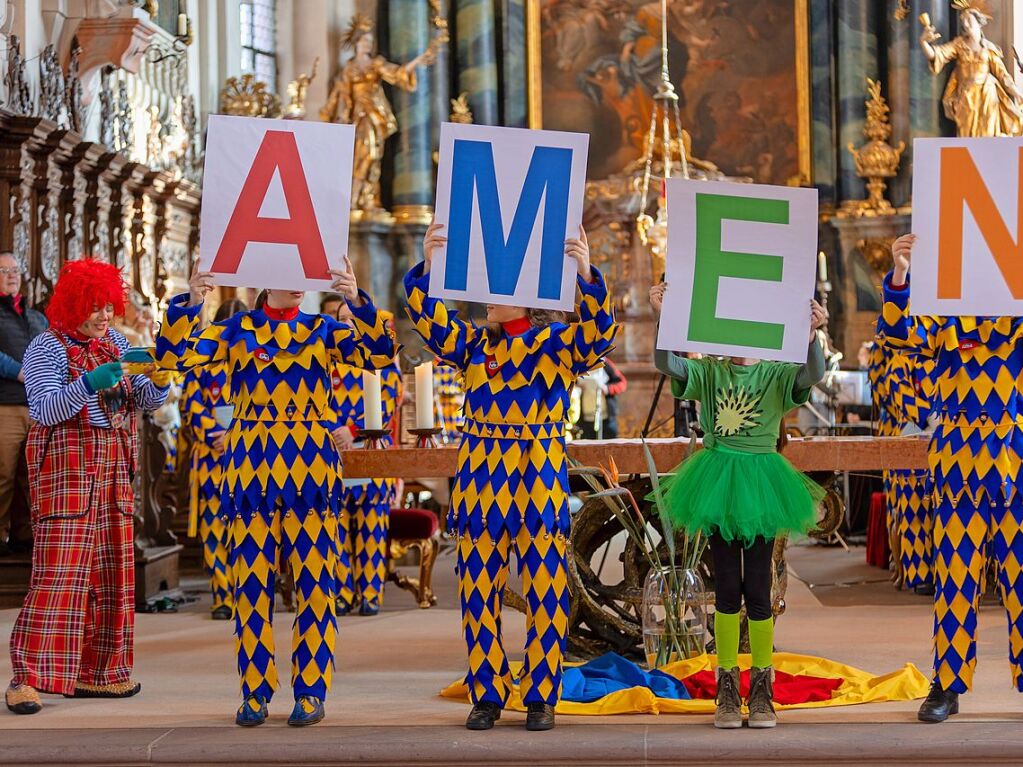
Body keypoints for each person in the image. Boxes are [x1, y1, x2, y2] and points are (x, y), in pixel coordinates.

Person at [156, 258, 395, 727]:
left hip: (310, 466)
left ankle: (310, 691)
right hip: (250, 470)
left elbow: (381, 355)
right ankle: (254, 691)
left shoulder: (324, 328)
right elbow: (171, 359)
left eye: (307, 280)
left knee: (315, 584)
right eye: (292, 278)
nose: (302, 288)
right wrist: (192, 302)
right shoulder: (235, 330)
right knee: (250, 585)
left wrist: (355, 299)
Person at [405, 221, 617, 732]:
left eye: (496, 295)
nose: (486, 302)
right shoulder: (476, 345)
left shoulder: (558, 344)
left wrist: (586, 274)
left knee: (546, 588)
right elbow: (430, 324)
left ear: (525, 299)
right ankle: (488, 694)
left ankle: (541, 695)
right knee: (478, 590)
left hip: (538, 473)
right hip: (480, 477)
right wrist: (431, 266)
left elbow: (601, 334)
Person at [649, 281, 828, 730]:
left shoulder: (774, 374)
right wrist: (664, 318)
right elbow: (666, 362)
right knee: (727, 587)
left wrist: (812, 337)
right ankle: (727, 687)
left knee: (759, 588)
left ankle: (761, 689)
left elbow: (814, 374)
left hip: (761, 481)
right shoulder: (708, 372)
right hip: (718, 480)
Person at [5, 259, 169, 715]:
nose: (103, 316)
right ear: (73, 305)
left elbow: (143, 403)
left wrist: (160, 381)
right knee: (59, 575)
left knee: (112, 574)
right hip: (68, 469)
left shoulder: (116, 342)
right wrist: (87, 383)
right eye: (93, 307)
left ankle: (99, 674)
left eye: (107, 306)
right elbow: (44, 410)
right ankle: (27, 678)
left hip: (113, 467)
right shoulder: (46, 347)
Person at [877, 233, 1023, 724]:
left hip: (1015, 461)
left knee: (1022, 579)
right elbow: (897, 336)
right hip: (958, 460)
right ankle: (948, 684)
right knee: (955, 580)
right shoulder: (941, 313)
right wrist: (901, 274)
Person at [327, 306, 402, 617]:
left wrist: (353, 429)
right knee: (337, 526)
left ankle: (371, 593)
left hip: (371, 448)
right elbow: (312, 395)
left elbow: (389, 400)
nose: (346, 323)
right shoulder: (327, 358)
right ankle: (342, 593)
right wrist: (334, 429)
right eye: (342, 319)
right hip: (334, 449)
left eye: (351, 319)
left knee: (372, 525)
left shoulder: (382, 362)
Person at [181, 298, 249, 620]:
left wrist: (237, 435)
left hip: (250, 455)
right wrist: (216, 436)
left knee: (247, 528)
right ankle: (222, 595)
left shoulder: (255, 359)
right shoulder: (201, 362)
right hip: (213, 457)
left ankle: (245, 593)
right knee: (214, 529)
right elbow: (192, 406)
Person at [867, 340, 934, 595]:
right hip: (908, 439)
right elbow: (895, 393)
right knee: (911, 508)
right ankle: (919, 575)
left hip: (947, 439)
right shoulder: (899, 360)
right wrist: (929, 416)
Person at [0, 252, 47, 556]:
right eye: (4, 271)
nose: (12, 275)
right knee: (2, 475)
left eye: (15, 269)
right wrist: (17, 371)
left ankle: (24, 534)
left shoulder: (35, 316)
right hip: (5, 405)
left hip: (39, 407)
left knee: (32, 476)